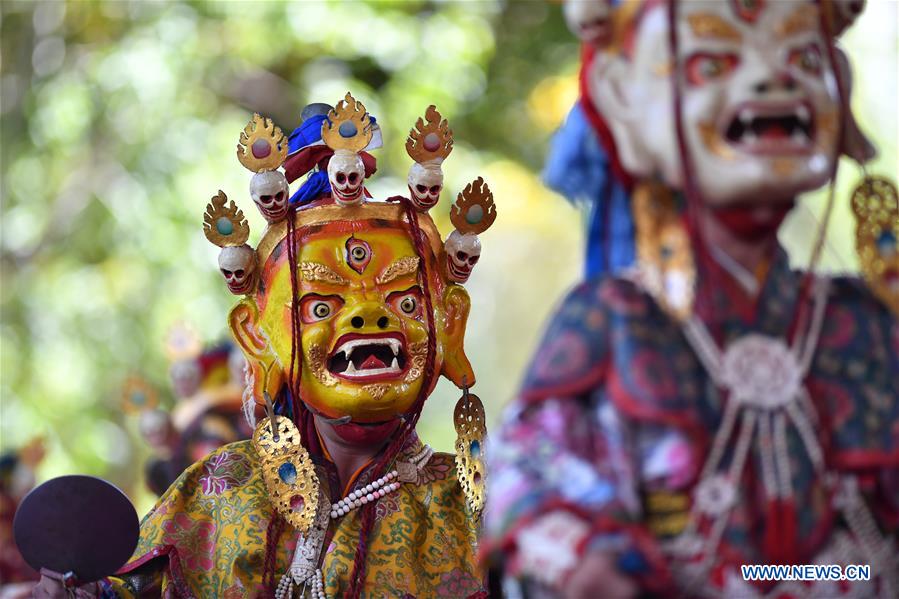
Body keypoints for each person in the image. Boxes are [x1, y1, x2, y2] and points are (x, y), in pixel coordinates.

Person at [483, 1, 898, 597]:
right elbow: (535, 482)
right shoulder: (613, 316)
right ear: (623, 99)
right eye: (711, 64)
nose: (769, 79)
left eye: (802, 58)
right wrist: (581, 558)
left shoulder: (869, 320)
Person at [34, 93, 494, 598]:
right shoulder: (220, 488)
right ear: (258, 335)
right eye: (320, 305)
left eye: (404, 300)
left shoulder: (474, 510)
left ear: (448, 323)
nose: (367, 314)